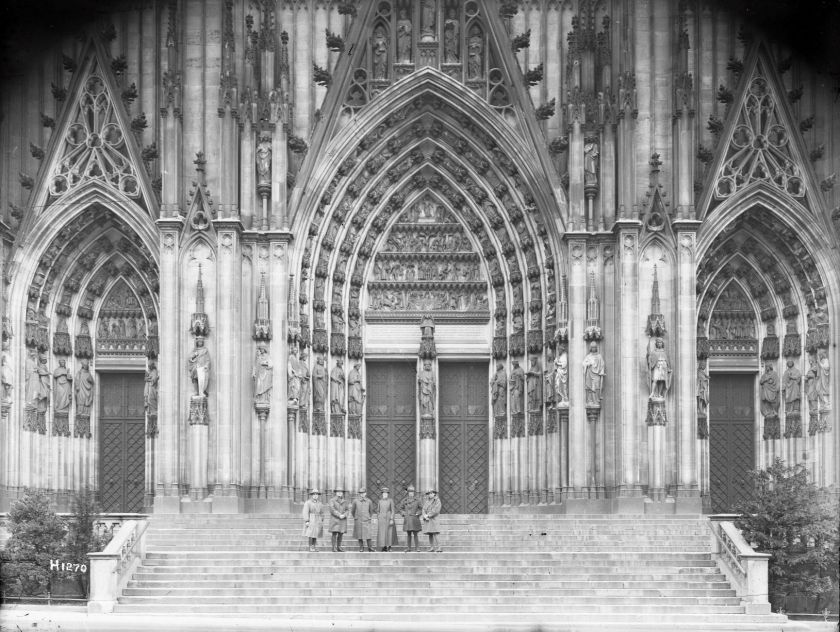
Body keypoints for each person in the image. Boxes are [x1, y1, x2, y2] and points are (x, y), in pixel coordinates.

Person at [352, 487, 374, 552]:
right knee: (359, 534)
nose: (362, 494)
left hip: (366, 520)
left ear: (365, 493)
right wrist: (356, 517)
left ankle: (370, 547)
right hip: (358, 520)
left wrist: (368, 517)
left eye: (363, 493)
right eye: (361, 493)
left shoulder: (369, 501)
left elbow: (371, 511)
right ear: (359, 494)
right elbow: (353, 511)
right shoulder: (355, 501)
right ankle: (361, 547)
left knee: (368, 534)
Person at [583, 342, 605, 406]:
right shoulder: (588, 356)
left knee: (596, 387)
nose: (594, 349)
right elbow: (584, 363)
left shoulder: (599, 356)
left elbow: (602, 365)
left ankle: (596, 401)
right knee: (590, 388)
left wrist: (602, 371)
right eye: (592, 347)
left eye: (595, 347)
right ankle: (590, 401)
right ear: (590, 348)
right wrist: (588, 364)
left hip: (596, 374)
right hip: (589, 374)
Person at [376, 487, 397, 552]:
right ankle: (384, 547)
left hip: (388, 518)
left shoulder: (390, 501)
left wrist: (391, 519)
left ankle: (390, 547)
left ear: (388, 494)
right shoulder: (380, 501)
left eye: (386, 493)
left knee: (389, 533)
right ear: (382, 494)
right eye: (384, 493)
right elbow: (378, 510)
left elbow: (393, 510)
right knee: (382, 533)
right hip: (382, 519)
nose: (385, 494)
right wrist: (379, 517)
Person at [302, 488, 323, 553]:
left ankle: (314, 546)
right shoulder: (308, 502)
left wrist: (322, 518)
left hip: (318, 519)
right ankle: (311, 547)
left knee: (315, 533)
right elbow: (305, 512)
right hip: (311, 518)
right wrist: (307, 521)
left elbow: (322, 512)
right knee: (311, 533)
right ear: (312, 495)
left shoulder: (320, 503)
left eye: (317, 494)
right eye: (314, 494)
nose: (315, 496)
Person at [328, 488, 349, 553]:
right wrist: (339, 515)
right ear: (336, 493)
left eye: (341, 492)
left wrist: (344, 515)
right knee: (334, 533)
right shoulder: (332, 500)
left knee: (341, 533)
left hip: (342, 519)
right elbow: (332, 509)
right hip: (335, 519)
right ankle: (333, 547)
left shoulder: (345, 501)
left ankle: (339, 546)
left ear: (342, 493)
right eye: (338, 492)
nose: (340, 493)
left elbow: (347, 510)